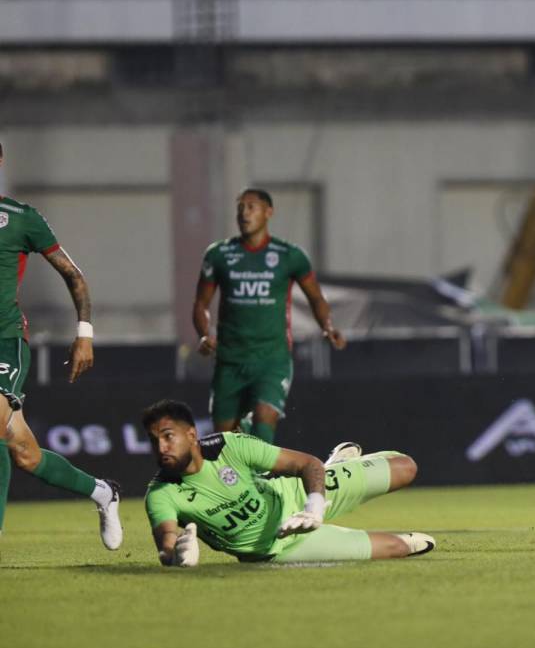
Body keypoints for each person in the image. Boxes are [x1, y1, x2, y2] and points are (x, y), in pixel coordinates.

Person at [0, 142, 121, 550]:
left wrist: (84, 333)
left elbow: (74, 275)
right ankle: (103, 492)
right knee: (25, 454)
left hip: (5, 341)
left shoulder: (21, 219)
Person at [142, 399, 434, 565]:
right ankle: (336, 469)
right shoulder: (161, 493)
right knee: (398, 548)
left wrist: (314, 507)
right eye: (154, 441)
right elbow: (166, 544)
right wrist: (178, 554)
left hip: (295, 497)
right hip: (278, 549)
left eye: (168, 436)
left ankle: (336, 468)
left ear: (192, 435)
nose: (162, 447)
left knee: (406, 468)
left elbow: (307, 464)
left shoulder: (229, 446)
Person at [192, 188, 346, 444]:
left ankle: (261, 476)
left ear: (268, 212)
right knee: (225, 440)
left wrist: (328, 327)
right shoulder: (219, 254)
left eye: (251, 207)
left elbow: (316, 297)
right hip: (230, 360)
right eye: (240, 207)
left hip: (272, 359)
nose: (244, 213)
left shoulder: (289, 256)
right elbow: (201, 303)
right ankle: (241, 464)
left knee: (265, 418)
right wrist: (203, 334)